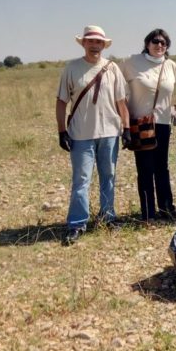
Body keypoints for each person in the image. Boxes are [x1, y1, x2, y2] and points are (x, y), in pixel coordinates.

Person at [56, 25, 130, 245]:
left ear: (103, 45)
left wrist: (126, 128)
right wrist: (61, 131)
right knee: (81, 180)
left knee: (108, 176)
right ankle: (77, 223)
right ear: (84, 43)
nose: (95, 45)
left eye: (99, 42)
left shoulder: (112, 68)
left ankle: (107, 217)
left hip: (109, 133)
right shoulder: (72, 68)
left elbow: (121, 101)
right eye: (91, 41)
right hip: (80, 135)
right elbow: (61, 102)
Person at [120, 29, 176, 221]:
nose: (160, 45)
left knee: (162, 167)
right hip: (140, 123)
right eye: (155, 41)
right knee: (144, 168)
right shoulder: (131, 62)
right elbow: (117, 87)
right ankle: (148, 214)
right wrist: (124, 116)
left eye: (164, 43)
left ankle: (167, 209)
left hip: (162, 123)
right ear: (147, 43)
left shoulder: (170, 65)